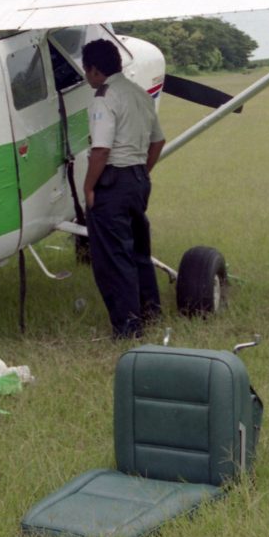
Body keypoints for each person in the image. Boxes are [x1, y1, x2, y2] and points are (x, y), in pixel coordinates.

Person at [81, 39, 166, 339]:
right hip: (138, 179)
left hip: (113, 183)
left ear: (94, 70)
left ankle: (128, 328)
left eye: (86, 70)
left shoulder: (104, 98)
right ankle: (150, 312)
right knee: (139, 251)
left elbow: (101, 150)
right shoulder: (140, 94)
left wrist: (88, 187)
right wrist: (141, 172)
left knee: (113, 259)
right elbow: (158, 141)